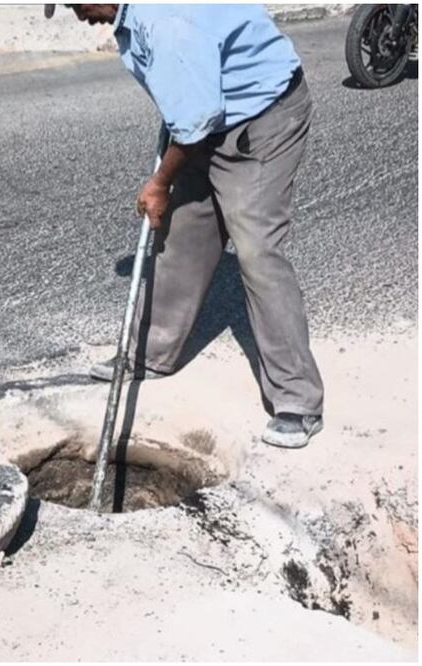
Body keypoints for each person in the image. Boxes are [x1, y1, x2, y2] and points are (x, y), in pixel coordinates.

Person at [68, 4, 323, 449]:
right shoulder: (146, 17)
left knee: (256, 249)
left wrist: (160, 182)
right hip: (209, 119)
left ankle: (298, 400)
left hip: (262, 119)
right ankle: (150, 354)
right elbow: (192, 107)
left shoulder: (166, 22)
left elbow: (196, 121)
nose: (79, 15)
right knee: (181, 237)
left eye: (75, 4)